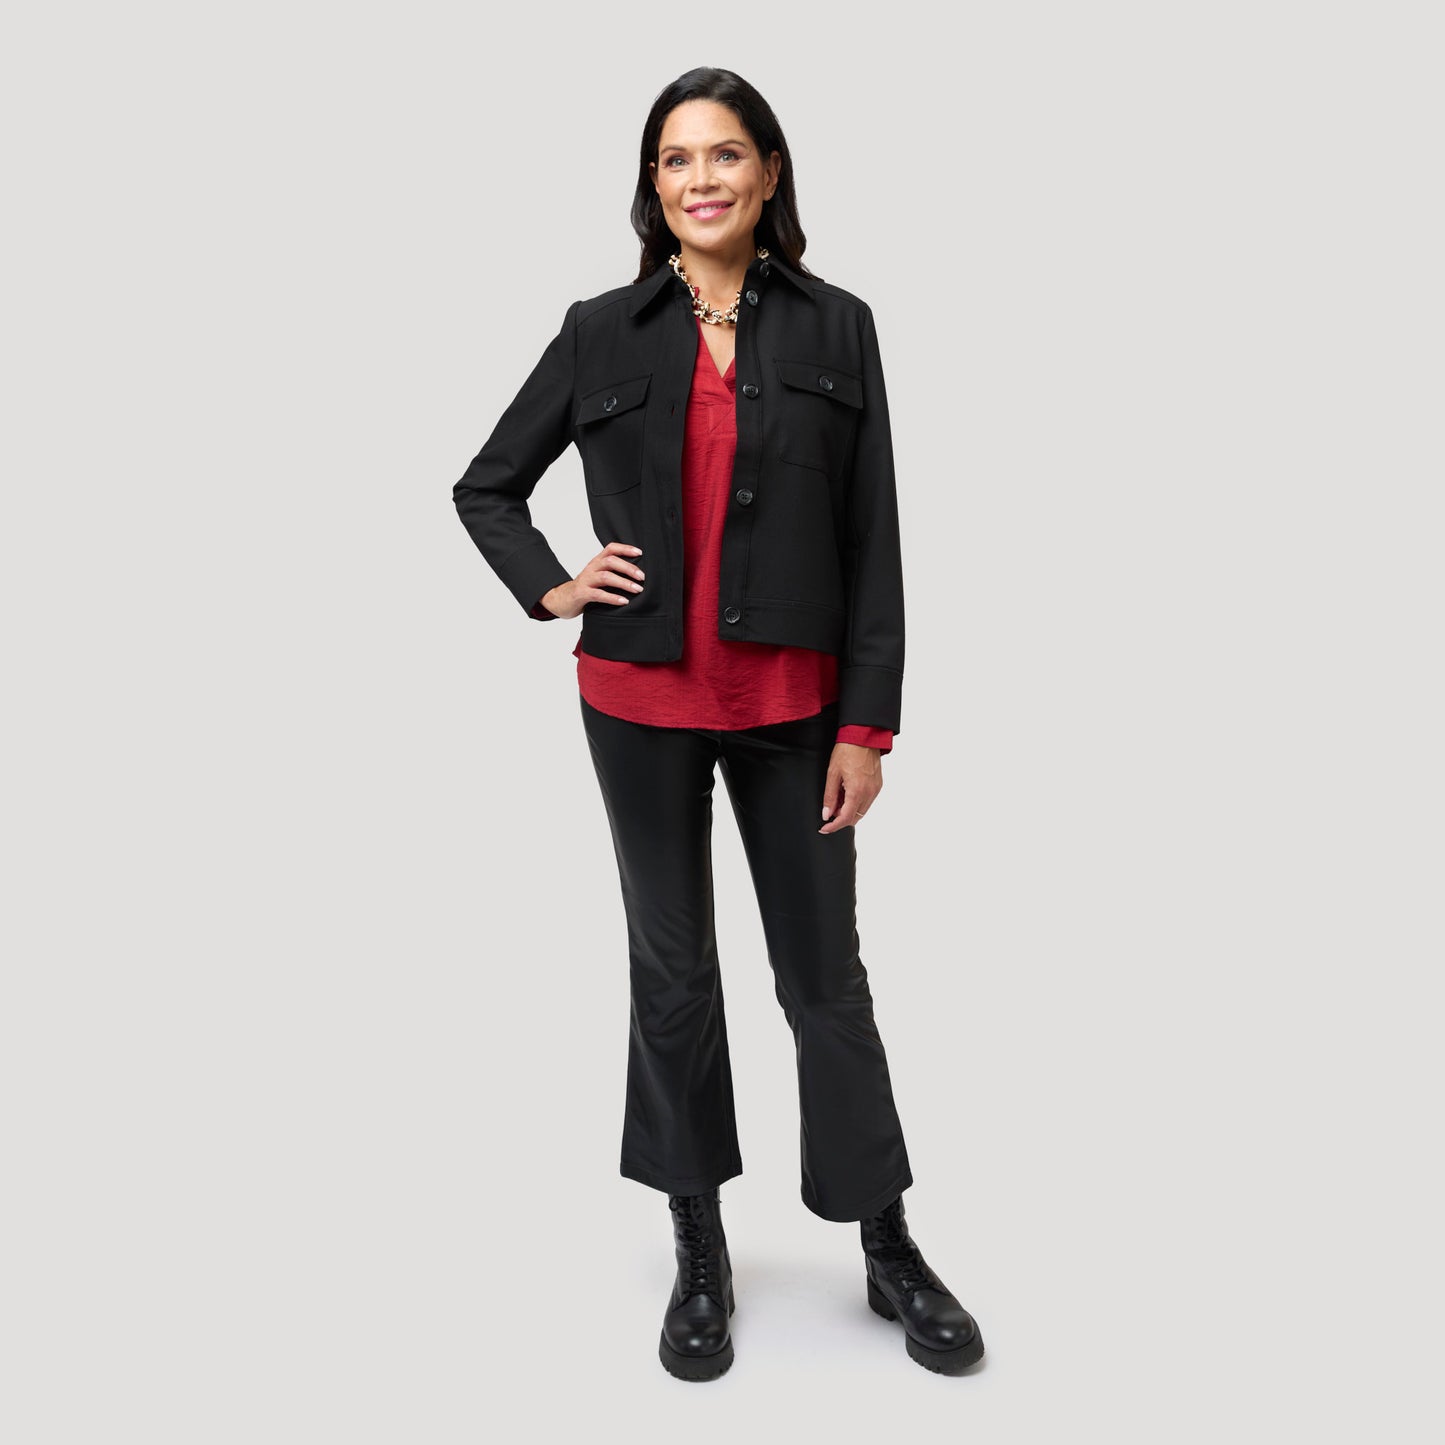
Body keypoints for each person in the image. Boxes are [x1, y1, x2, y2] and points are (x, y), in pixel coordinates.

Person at [451, 66, 983, 1381]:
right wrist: (552, 584)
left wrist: (867, 726)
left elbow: (873, 537)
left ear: (768, 172)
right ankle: (698, 1244)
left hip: (795, 709)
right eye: (676, 159)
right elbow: (487, 486)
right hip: (636, 704)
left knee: (824, 980)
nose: (701, 178)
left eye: (725, 153)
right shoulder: (599, 331)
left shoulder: (838, 325)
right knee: (674, 974)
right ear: (654, 184)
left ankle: (885, 1240)